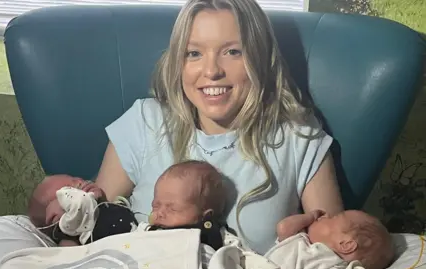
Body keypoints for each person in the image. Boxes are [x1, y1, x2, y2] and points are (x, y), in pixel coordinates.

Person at [44, 0, 344, 255]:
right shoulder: (145, 122)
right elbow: (87, 224)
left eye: (233, 52)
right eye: (194, 53)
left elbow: (337, 247)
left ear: (260, 59)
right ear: (178, 62)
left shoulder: (298, 136)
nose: (211, 71)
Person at [28, 160, 228, 250]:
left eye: (76, 179)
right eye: (68, 189)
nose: (80, 183)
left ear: (206, 215)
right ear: (53, 217)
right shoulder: (76, 232)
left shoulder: (208, 232)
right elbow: (69, 258)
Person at [268, 210, 395, 269]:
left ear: (346, 245)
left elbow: (283, 228)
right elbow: (283, 228)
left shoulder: (335, 266)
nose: (326, 215)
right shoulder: (302, 241)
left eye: (333, 217)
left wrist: (311, 217)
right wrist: (309, 216)